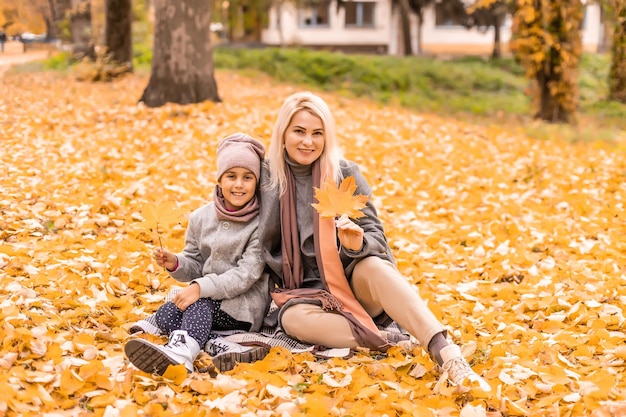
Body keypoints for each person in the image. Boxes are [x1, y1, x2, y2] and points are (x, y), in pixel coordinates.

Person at [258, 91, 491, 392]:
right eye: (299, 131)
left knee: (375, 267)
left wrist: (355, 244)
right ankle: (390, 341)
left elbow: (376, 236)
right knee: (292, 322)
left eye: (318, 133)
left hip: (353, 284)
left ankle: (445, 352)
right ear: (283, 133)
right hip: (305, 295)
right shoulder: (267, 179)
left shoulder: (343, 173)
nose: (308, 142)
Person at [125, 133, 271, 376]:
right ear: (219, 179)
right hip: (205, 298)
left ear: (256, 182)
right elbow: (195, 262)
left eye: (247, 178)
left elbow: (246, 275)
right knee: (168, 313)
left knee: (197, 304)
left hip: (242, 306)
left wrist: (200, 288)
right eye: (231, 176)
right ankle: (213, 341)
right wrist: (176, 263)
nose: (239, 184)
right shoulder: (201, 218)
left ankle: (182, 355)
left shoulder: (260, 224)